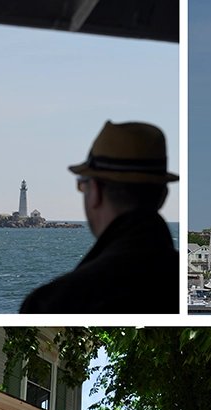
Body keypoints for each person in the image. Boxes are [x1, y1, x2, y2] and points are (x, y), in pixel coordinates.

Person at [20, 121, 179, 313]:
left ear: (94, 191)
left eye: (81, 185)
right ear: (163, 195)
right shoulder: (178, 282)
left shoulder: (53, 303)